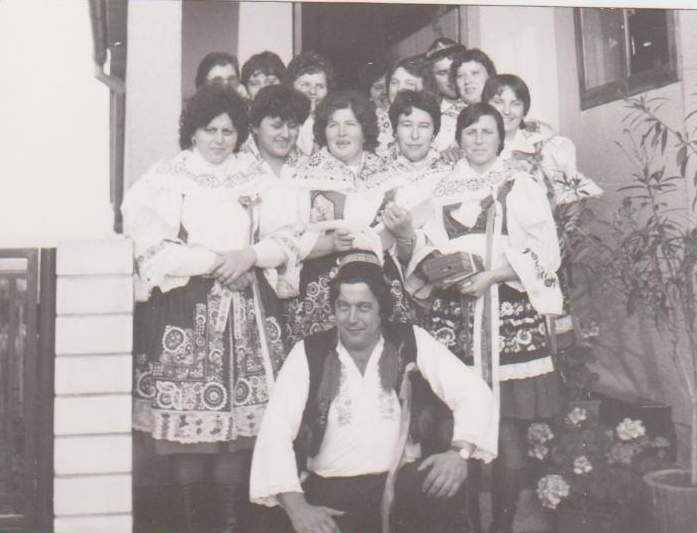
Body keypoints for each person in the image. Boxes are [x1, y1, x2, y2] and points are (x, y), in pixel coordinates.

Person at [122, 84, 304, 533]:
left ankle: (230, 525)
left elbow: (287, 236)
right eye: (210, 130)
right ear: (193, 132)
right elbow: (152, 248)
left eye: (228, 131)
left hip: (248, 314)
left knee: (239, 436)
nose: (220, 140)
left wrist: (250, 256)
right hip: (187, 315)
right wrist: (221, 264)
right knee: (190, 436)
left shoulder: (255, 177)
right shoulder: (168, 178)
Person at [249, 251, 497, 533]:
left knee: (442, 486)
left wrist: (459, 453)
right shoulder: (308, 352)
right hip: (332, 493)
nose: (352, 318)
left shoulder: (410, 339)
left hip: (402, 487)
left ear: (382, 309)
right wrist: (298, 508)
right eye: (343, 307)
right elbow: (276, 430)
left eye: (364, 307)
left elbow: (474, 391)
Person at [418, 103, 563, 533]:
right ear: (458, 138)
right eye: (470, 131)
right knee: (452, 424)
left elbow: (546, 253)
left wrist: (491, 275)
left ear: (501, 138)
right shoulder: (440, 188)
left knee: (507, 432)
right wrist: (441, 269)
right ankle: (464, 525)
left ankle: (501, 526)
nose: (478, 139)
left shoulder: (519, 184)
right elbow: (423, 244)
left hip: (506, 312)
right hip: (455, 313)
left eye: (487, 131)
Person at [283, 90, 391, 347]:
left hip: (379, 274)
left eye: (350, 124)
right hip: (322, 279)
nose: (341, 133)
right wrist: (329, 243)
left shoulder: (388, 173)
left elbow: (397, 236)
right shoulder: (302, 177)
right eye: (333, 125)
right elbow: (289, 239)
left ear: (364, 130)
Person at [239, 84, 311, 179]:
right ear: (255, 127)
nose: (286, 135)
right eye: (277, 126)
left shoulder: (310, 166)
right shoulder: (237, 164)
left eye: (292, 126)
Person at [286, 51, 336, 156]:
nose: (312, 91)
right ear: (291, 86)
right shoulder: (282, 123)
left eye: (320, 86)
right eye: (305, 85)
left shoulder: (333, 124)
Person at [376, 55, 428, 157]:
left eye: (410, 83)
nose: (399, 89)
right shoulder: (372, 120)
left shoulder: (435, 120)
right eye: (394, 82)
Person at [424, 39, 468, 152]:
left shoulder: (481, 103)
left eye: (455, 70)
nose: (451, 78)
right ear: (432, 78)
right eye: (442, 73)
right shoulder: (427, 112)